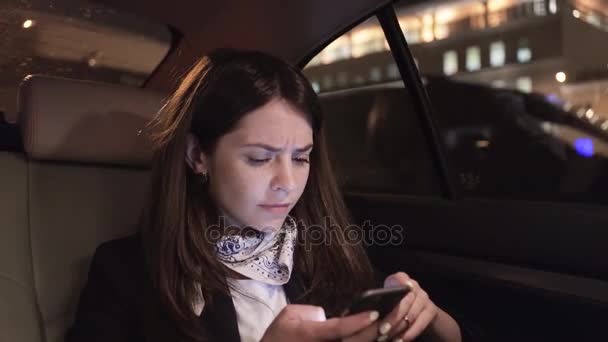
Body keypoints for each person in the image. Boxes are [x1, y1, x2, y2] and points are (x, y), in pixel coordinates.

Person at [66, 48, 461, 342]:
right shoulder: (128, 273)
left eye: (301, 158)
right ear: (197, 155)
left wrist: (432, 320)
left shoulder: (323, 252)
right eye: (259, 159)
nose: (287, 182)